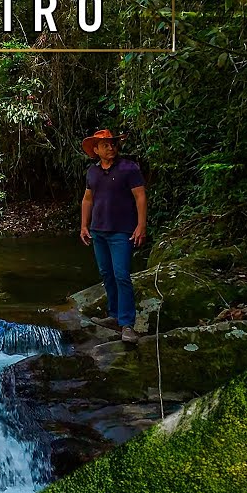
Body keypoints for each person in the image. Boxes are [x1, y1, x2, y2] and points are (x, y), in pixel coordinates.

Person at [79, 129, 147, 343]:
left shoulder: (129, 168)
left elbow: (140, 197)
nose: (111, 147)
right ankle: (114, 315)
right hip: (99, 230)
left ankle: (127, 325)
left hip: (122, 231)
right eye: (105, 145)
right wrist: (84, 226)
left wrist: (141, 226)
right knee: (106, 273)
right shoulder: (93, 172)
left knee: (121, 275)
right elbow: (87, 199)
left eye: (112, 144)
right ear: (96, 149)